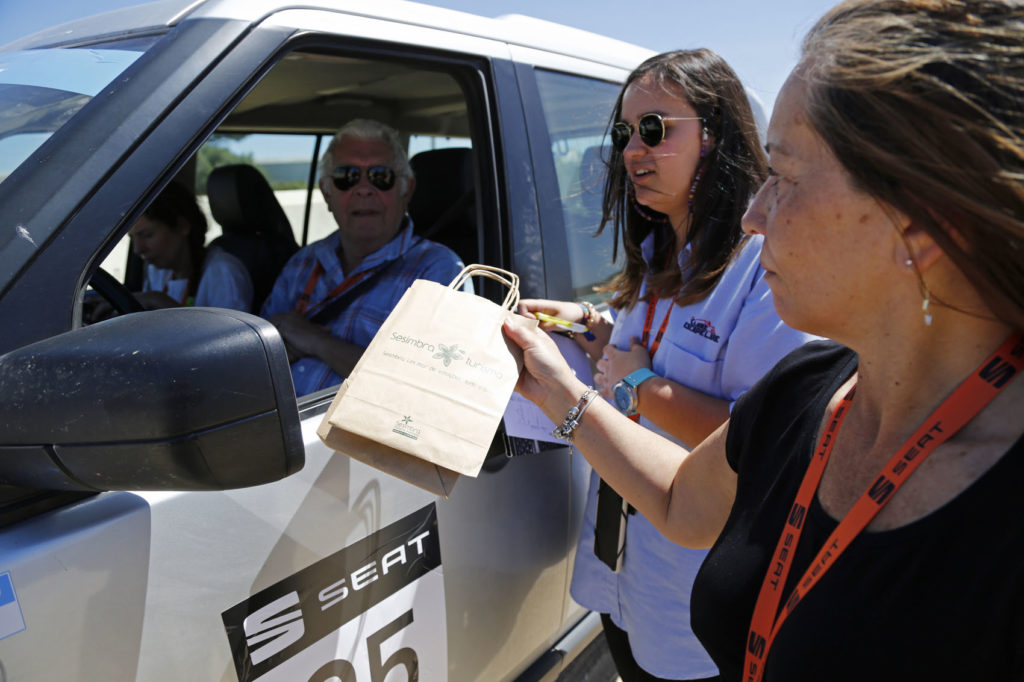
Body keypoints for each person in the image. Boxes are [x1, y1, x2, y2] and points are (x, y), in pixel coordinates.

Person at [504, 0, 1024, 679]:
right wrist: (559, 385)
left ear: (924, 219)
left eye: (784, 176)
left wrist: (634, 383)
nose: (754, 213)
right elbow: (681, 503)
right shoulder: (805, 390)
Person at [519, 50, 815, 681]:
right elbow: (643, 359)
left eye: (654, 128)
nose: (632, 150)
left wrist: (635, 382)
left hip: (688, 600)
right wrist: (597, 338)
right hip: (620, 571)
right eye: (626, 134)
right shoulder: (657, 252)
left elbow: (760, 443)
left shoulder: (765, 271)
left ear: (716, 133)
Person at [261, 118, 464, 396]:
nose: (364, 189)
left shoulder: (437, 271)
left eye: (381, 176)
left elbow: (423, 391)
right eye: (347, 177)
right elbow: (261, 356)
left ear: (407, 190)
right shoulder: (302, 263)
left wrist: (316, 342)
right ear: (327, 193)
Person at [131, 181, 253, 311]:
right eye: (132, 237)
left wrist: (156, 300)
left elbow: (232, 330)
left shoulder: (223, 273)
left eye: (148, 235)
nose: (138, 249)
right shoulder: (157, 271)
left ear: (182, 226)